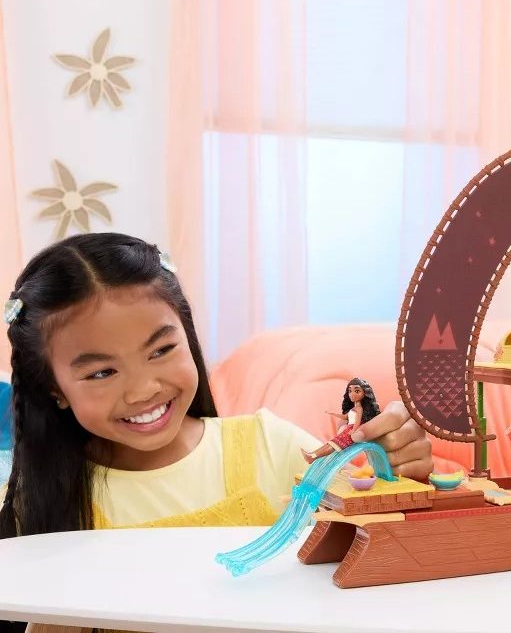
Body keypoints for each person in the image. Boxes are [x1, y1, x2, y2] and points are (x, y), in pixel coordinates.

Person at [0, 232, 433, 542]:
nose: (142, 390)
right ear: (54, 389)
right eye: (101, 373)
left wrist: (401, 475)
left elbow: (386, 538)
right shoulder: (35, 505)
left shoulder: (271, 446)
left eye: (161, 350)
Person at [302, 377, 382, 463]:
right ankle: (312, 455)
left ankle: (313, 456)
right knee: (331, 443)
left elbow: (358, 421)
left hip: (351, 431)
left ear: (364, 393)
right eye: (350, 391)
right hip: (348, 429)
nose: (352, 394)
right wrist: (333, 414)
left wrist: (354, 430)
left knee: (333, 445)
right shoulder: (353, 408)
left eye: (357, 391)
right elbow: (345, 417)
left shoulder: (359, 409)